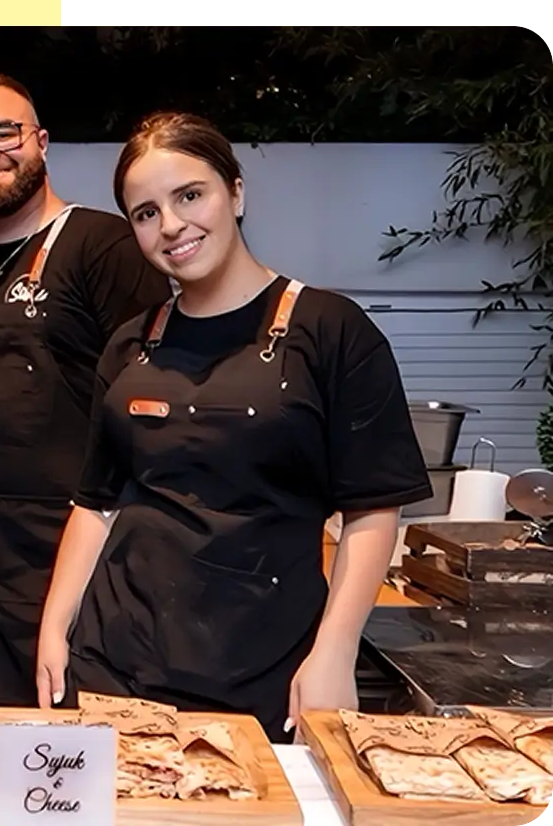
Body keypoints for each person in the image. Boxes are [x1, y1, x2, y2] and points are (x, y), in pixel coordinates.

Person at [35, 111, 433, 741]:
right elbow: (97, 502)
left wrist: (334, 650)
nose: (171, 226)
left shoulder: (330, 331)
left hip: (262, 673)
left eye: (190, 195)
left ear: (236, 192)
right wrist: (55, 624)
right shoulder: (128, 346)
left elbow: (373, 508)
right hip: (115, 664)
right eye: (145, 213)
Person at [0, 73, 171, 707]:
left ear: (40, 141)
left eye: (3, 132)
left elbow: (155, 422)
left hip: (79, 575)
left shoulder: (105, 248)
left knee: (75, 780)